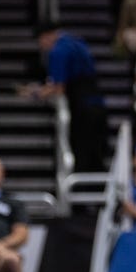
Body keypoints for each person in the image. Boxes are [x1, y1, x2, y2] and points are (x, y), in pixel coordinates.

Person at [21, 22, 109, 172]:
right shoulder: (77, 42)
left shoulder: (58, 51)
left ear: (47, 36)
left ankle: (82, 187)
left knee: (82, 150)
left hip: (81, 107)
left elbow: (58, 88)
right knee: (97, 151)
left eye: (40, 41)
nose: (41, 46)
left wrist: (35, 93)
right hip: (97, 103)